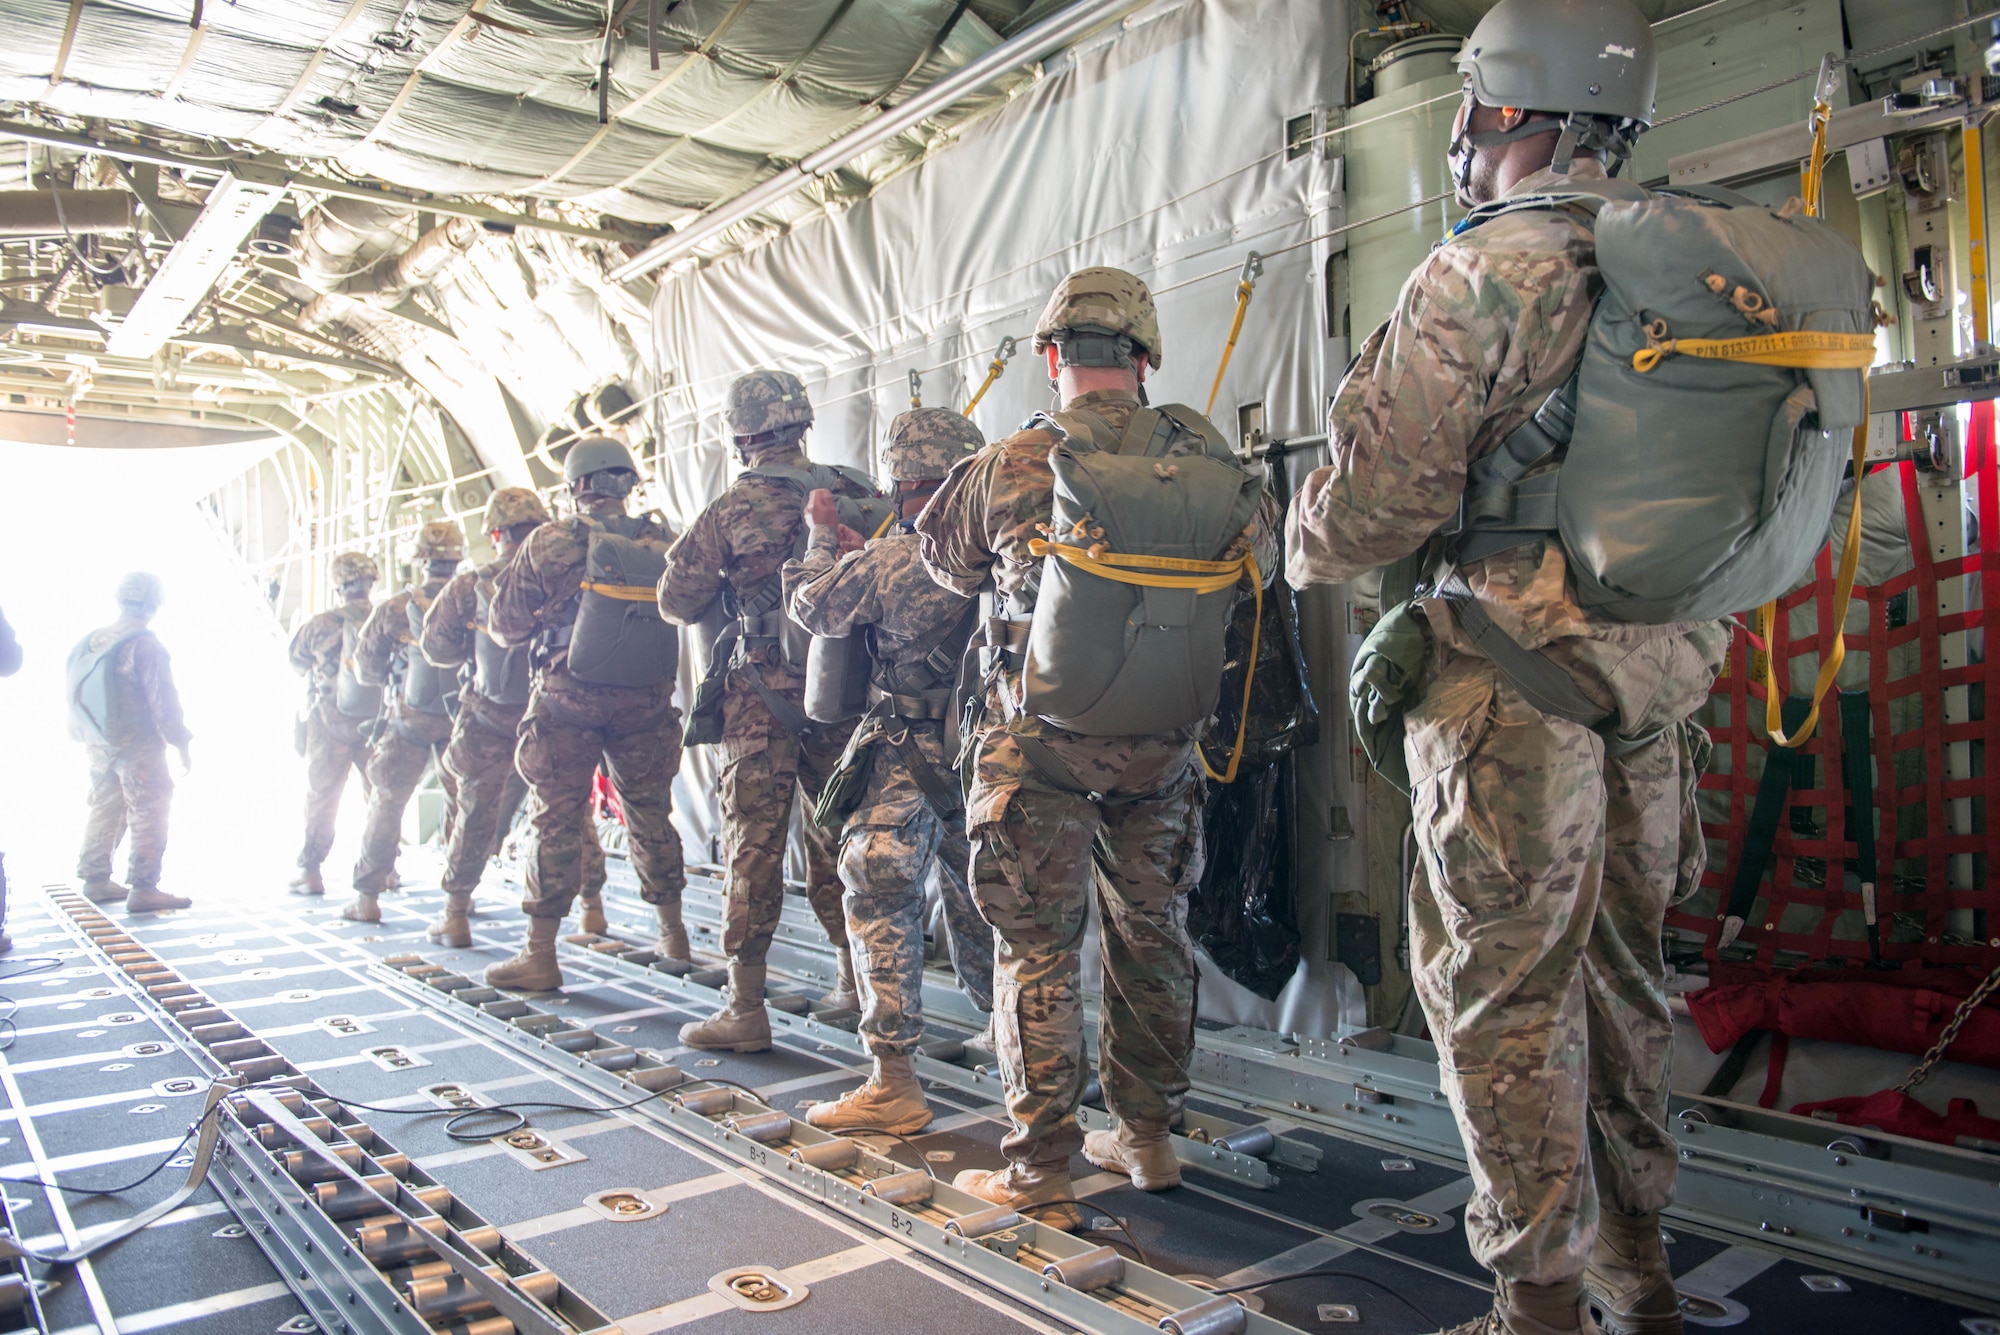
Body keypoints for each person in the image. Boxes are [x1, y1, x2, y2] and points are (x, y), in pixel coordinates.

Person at [1284, 3, 1721, 1331]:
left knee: (1504, 992)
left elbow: (1367, 513)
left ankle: (1536, 1304)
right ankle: (1635, 1269)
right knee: (1628, 980)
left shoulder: (1484, 272)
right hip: (1655, 685)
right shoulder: (1697, 273)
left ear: (1506, 113)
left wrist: (1303, 533)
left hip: (1507, 690)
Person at [917, 267, 1276, 1224]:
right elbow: (1264, 567)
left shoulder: (1011, 461)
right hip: (1163, 746)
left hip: (1038, 751)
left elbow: (943, 564)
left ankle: (1041, 1168)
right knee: (1151, 935)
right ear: (1147, 356)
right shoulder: (1211, 459)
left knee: (1038, 950)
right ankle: (1149, 1139)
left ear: (1051, 355)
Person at [784, 407, 998, 1133]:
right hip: (990, 749)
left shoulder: (894, 559)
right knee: (989, 896)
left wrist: (820, 540)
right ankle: (1010, 1035)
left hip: (906, 748)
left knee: (879, 892)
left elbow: (813, 604)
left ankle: (894, 1080)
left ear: (904, 484)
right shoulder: (1010, 548)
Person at [657, 369, 877, 1052]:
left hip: (761, 698)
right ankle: (856, 984)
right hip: (843, 692)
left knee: (753, 845)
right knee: (840, 838)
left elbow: (676, 598)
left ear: (744, 433)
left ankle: (744, 1007)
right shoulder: (855, 494)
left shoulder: (734, 506)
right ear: (802, 424)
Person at [487, 437, 688, 989]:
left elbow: (505, 625)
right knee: (650, 814)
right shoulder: (662, 539)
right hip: (646, 700)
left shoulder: (551, 541)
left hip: (566, 700)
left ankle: (540, 954)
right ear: (628, 482)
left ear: (577, 485)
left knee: (555, 817)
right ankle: (673, 934)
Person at [422, 488, 613, 947]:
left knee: (475, 813)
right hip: (555, 711)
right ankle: (592, 911)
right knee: (570, 814)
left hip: (492, 717)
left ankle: (456, 913)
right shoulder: (576, 569)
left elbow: (436, 647)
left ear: (495, 533)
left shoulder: (471, 584)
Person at [345, 520, 466, 922]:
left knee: (386, 801)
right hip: (461, 718)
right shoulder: (472, 596)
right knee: (463, 805)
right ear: (458, 556)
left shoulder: (396, 606)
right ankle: (459, 904)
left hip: (408, 718)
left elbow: (365, 669)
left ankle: (367, 898)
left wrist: (394, 678)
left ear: (419, 559)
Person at [67, 572, 193, 913]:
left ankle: (95, 878)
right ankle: (144, 886)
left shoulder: (94, 640)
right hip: (137, 743)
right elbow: (163, 701)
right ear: (154, 603)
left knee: (105, 805)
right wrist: (180, 742)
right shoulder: (144, 644)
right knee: (150, 808)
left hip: (99, 742)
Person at [289, 551, 380, 897]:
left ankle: (311, 871)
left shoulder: (320, 624)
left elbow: (297, 663)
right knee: (381, 795)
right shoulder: (386, 616)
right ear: (371, 581)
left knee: (323, 796)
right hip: (376, 720)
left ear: (338, 584)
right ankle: (385, 869)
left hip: (329, 719)